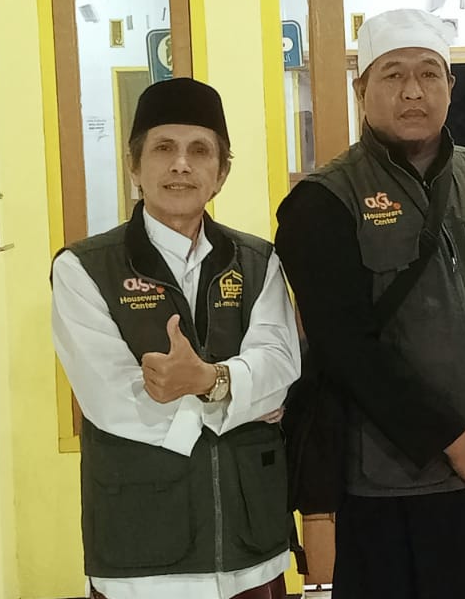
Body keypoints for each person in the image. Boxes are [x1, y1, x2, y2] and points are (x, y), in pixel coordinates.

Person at [274, 8, 465, 599]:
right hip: (391, 486)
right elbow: (345, 347)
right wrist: (449, 437)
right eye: (393, 74)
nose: (413, 91)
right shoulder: (324, 202)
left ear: (450, 86)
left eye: (429, 73)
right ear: (362, 89)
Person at [51, 78, 303, 599]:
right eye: (164, 148)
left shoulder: (258, 261)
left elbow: (280, 365)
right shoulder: (83, 269)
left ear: (221, 173)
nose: (181, 165)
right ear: (134, 166)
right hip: (142, 544)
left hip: (250, 542)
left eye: (200, 151)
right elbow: (111, 398)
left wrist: (209, 381)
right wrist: (240, 398)